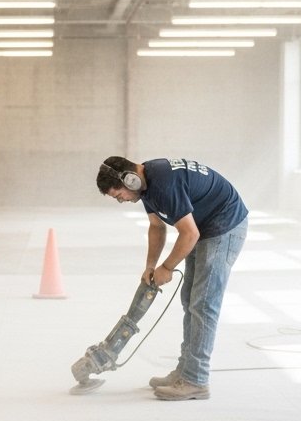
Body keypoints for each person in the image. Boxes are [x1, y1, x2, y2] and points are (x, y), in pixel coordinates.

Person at [96, 156, 248, 401]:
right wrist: (150, 266)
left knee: (204, 303)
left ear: (130, 180)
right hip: (203, 226)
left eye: (118, 195)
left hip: (223, 226)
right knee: (190, 300)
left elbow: (189, 233)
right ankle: (185, 371)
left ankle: (196, 380)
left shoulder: (164, 184)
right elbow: (157, 227)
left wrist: (167, 267)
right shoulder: (146, 187)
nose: (121, 200)